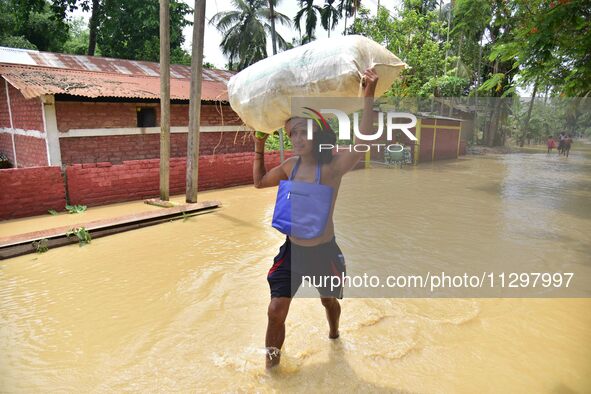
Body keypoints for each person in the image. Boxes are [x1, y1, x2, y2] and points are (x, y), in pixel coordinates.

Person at [253, 67, 380, 369]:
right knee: (275, 310)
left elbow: (365, 141)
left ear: (317, 133)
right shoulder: (289, 166)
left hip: (323, 252)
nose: (297, 138)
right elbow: (258, 182)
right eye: (292, 133)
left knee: (328, 301)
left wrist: (368, 97)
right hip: (293, 251)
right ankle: (271, 370)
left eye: (303, 131)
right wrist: (259, 143)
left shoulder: (334, 166)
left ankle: (334, 333)